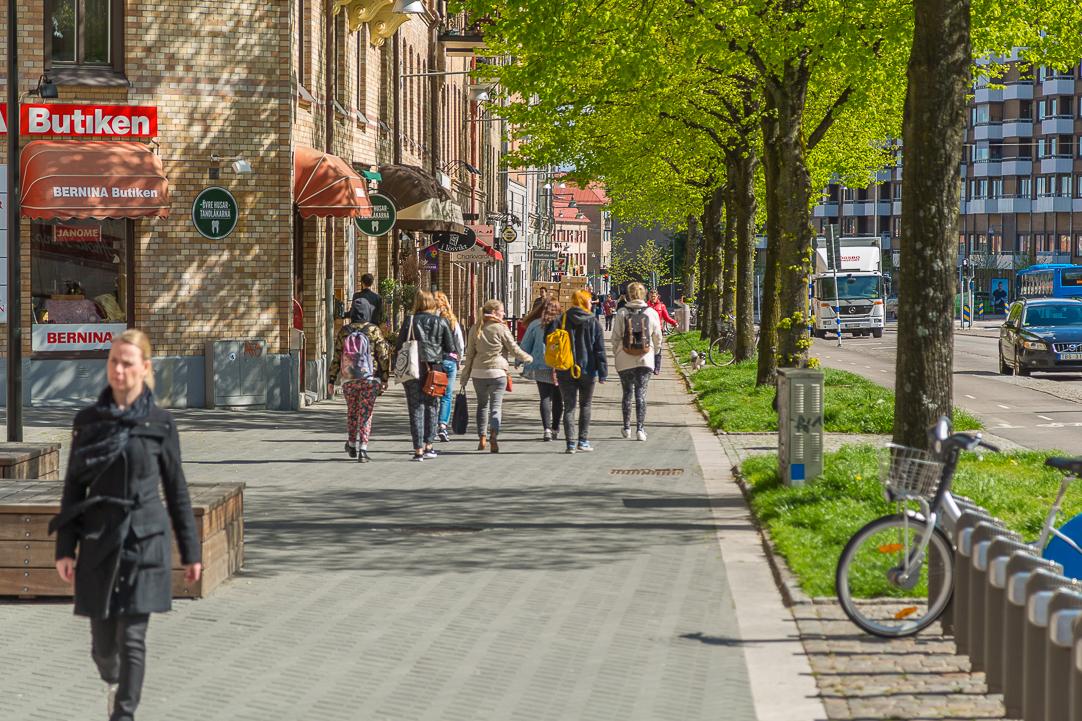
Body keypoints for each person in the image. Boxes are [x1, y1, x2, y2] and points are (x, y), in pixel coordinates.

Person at [50, 329, 201, 721]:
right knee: (103, 646)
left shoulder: (160, 423)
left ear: (144, 368)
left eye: (127, 363)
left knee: (133, 637)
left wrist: (191, 552)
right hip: (98, 538)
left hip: (145, 539)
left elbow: (177, 489)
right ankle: (112, 677)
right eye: (114, 361)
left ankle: (124, 714)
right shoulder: (88, 422)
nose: (119, 369)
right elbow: (73, 488)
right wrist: (65, 548)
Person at [461, 299, 532, 453]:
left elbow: (469, 355)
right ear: (494, 312)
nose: (504, 313)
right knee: (495, 407)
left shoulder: (475, 328)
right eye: (501, 310)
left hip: (478, 373)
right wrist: (528, 358)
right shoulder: (501, 328)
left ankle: (482, 438)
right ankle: (494, 436)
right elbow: (514, 349)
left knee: (482, 406)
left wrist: (464, 377)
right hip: (498, 373)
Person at [397, 290, 456, 461]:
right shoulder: (441, 321)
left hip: (413, 368)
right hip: (434, 369)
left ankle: (418, 449)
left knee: (415, 408)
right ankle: (429, 445)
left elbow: (400, 344)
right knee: (432, 406)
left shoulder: (410, 321)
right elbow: (450, 347)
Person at [329, 304, 392, 462]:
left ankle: (351, 444)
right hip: (369, 379)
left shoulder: (344, 331)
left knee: (352, 411)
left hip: (348, 379)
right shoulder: (374, 330)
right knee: (365, 413)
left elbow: (336, 356)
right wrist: (385, 378)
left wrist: (331, 379)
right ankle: (363, 449)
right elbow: (383, 355)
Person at [547, 289, 607, 454]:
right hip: (587, 369)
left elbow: (550, 340)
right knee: (586, 404)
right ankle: (583, 440)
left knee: (569, 406)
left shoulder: (562, 319)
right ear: (585, 302)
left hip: (565, 368)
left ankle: (570, 444)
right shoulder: (593, 322)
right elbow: (599, 349)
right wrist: (603, 372)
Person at [611, 282, 663, 441]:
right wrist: (656, 352)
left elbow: (615, 338)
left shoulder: (621, 313)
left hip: (624, 359)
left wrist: (617, 353)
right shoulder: (652, 313)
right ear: (644, 295)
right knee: (641, 394)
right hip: (645, 359)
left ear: (628, 295)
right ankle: (640, 429)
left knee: (627, 393)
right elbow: (658, 337)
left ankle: (626, 428)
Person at [519, 297, 564, 441]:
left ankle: (546, 430)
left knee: (545, 397)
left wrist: (518, 360)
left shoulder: (535, 325)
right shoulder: (562, 324)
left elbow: (525, 345)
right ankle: (555, 427)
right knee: (558, 399)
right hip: (559, 366)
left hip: (540, 365)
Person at [434, 291, 465, 442]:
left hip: (435, 362)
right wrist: (459, 358)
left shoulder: (432, 321)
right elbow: (459, 342)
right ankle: (442, 426)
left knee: (433, 394)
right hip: (450, 361)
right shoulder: (453, 321)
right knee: (446, 396)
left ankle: (432, 426)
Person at [647, 289, 677, 375]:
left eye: (654, 296)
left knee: (658, 348)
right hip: (648, 330)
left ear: (657, 296)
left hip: (658, 329)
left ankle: (657, 368)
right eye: (651, 296)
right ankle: (650, 367)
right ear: (649, 296)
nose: (652, 298)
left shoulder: (661, 306)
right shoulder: (646, 306)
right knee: (649, 349)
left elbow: (666, 317)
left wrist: (674, 323)